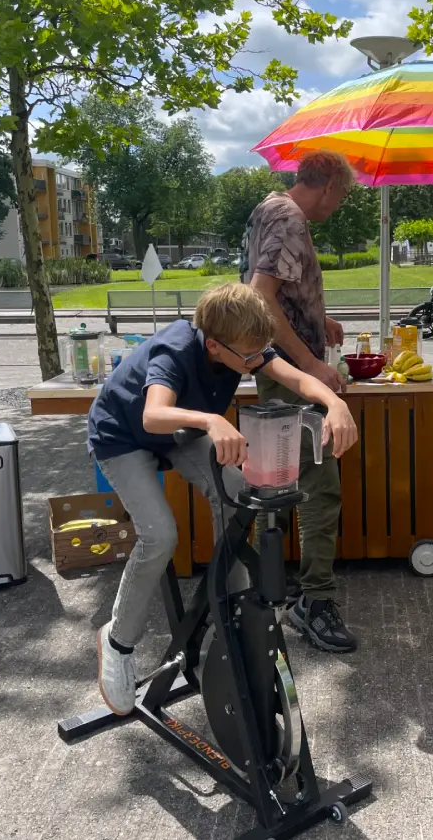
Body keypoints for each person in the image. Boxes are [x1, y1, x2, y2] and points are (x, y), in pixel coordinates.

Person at [87, 282, 358, 715]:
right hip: (123, 437)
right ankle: (118, 641)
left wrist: (334, 405)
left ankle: (230, 612)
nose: (256, 364)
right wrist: (213, 420)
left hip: (183, 431)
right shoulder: (174, 352)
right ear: (214, 344)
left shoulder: (242, 344)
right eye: (249, 358)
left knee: (237, 493)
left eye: (259, 354)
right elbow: (153, 414)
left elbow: (296, 377)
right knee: (160, 535)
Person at [241, 150, 359, 653]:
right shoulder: (290, 218)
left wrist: (319, 321)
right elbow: (261, 296)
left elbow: (280, 295)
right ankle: (314, 601)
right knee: (318, 483)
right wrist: (310, 364)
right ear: (329, 182)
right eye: (345, 193)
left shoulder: (269, 206)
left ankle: (269, 585)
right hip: (289, 374)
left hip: (275, 368)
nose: (341, 204)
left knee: (278, 482)